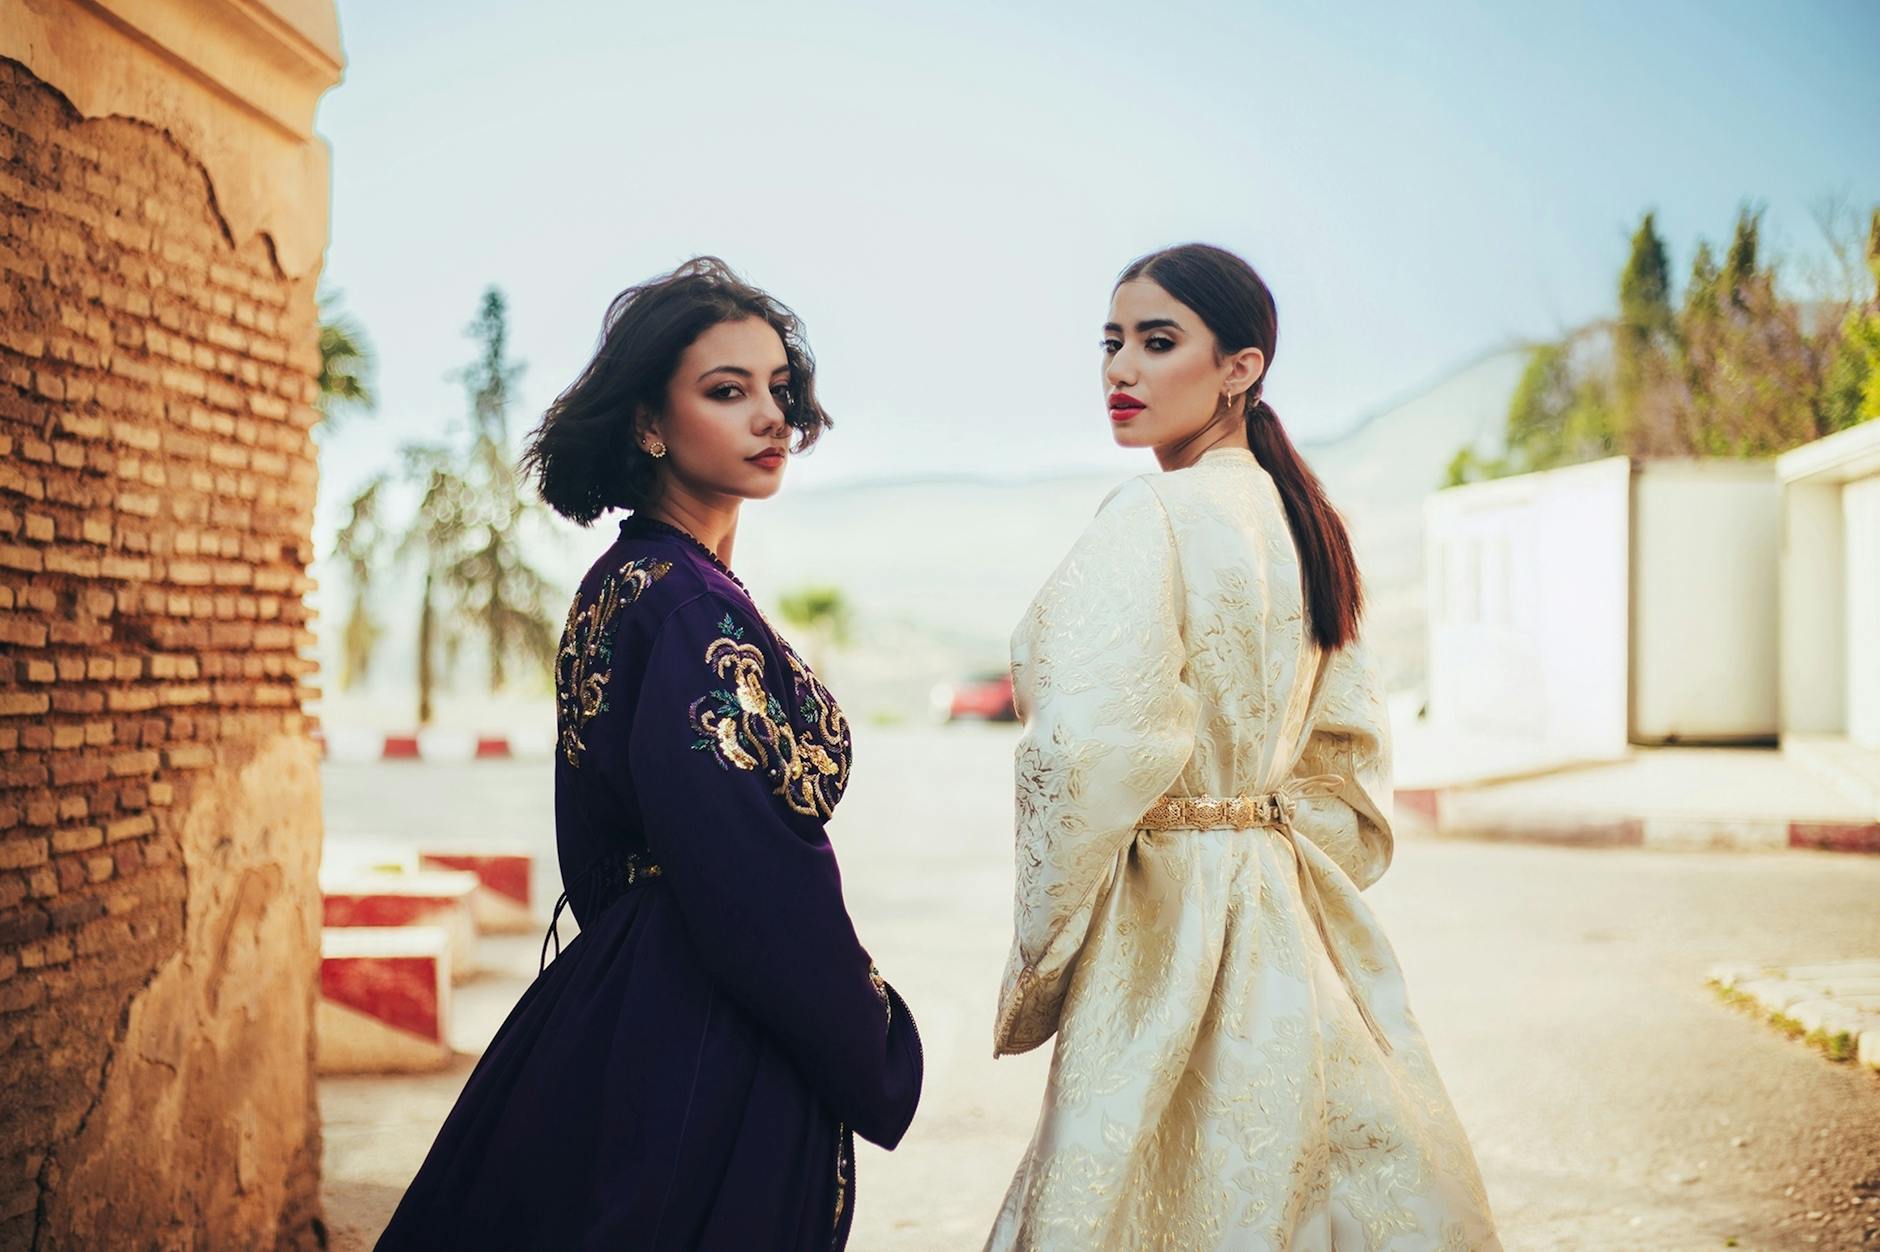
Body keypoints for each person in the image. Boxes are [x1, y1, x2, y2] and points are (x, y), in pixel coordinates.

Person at [377, 257, 923, 1251]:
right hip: (707, 1029)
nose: (769, 416)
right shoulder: (678, 602)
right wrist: (869, 1039)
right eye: (726, 390)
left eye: (777, 389)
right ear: (647, 424)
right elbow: (752, 866)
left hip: (632, 996)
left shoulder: (630, 581)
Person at [985, 244, 1499, 1251]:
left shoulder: (1153, 514)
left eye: (1157, 341)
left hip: (1166, 912)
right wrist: (1267, 841)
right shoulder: (1306, 524)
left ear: (1240, 367)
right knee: (1303, 1171)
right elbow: (1346, 757)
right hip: (1281, 903)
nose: (1119, 371)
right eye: (1110, 342)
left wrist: (1042, 953)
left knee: (1150, 1184)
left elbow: (1084, 752)